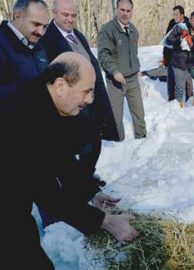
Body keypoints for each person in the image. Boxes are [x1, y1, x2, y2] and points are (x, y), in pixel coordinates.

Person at [1, 52, 138, 269]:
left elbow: (60, 159)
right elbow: (47, 193)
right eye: (86, 91)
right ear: (61, 85)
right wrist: (105, 221)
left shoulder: (43, 102)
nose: (90, 100)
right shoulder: (19, 115)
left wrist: (90, 193)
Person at [39, 0, 120, 227]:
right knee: (69, 155)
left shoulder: (78, 36)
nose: (70, 19)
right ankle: (73, 196)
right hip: (69, 110)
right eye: (65, 14)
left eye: (74, 15)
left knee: (94, 146)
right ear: (54, 13)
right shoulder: (47, 40)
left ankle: (85, 186)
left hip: (89, 105)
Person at [98, 0, 147, 141]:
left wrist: (135, 67)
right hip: (115, 81)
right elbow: (103, 54)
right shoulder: (107, 30)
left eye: (128, 11)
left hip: (132, 80)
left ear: (132, 11)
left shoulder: (133, 30)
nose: (125, 14)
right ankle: (118, 145)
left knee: (139, 113)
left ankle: (142, 140)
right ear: (117, 9)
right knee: (115, 117)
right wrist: (114, 71)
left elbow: (133, 53)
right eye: (122, 10)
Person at [0, 0, 49, 100]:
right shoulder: (2, 44)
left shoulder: (39, 47)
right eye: (36, 24)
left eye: (45, 26)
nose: (41, 32)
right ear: (18, 15)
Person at [166, 11, 194, 108]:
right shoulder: (180, 27)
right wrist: (180, 38)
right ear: (190, 20)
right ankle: (178, 107)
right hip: (179, 62)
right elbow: (168, 40)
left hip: (193, 63)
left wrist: (192, 45)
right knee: (180, 88)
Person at [162, 5, 194, 101]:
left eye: (176, 15)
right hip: (171, 54)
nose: (174, 17)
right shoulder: (172, 23)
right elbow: (166, 39)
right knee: (171, 75)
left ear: (182, 15)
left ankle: (189, 95)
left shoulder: (188, 24)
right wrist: (165, 56)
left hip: (184, 55)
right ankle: (171, 98)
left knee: (187, 75)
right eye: (173, 14)